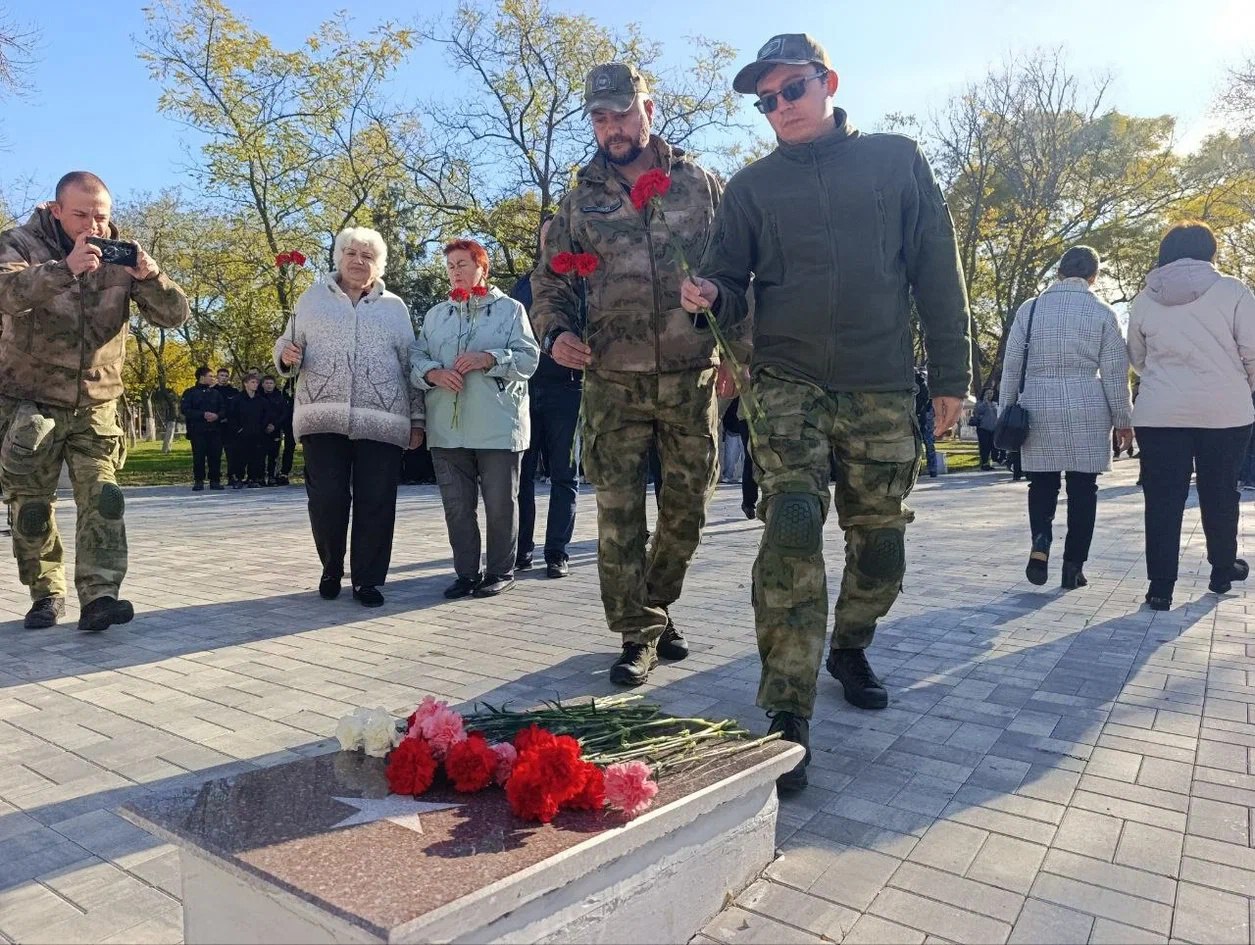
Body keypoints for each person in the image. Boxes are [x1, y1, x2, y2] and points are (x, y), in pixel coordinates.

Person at [681, 34, 972, 791]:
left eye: (791, 90)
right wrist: (710, 295)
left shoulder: (896, 161)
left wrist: (951, 375)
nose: (779, 107)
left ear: (827, 82)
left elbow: (937, 269)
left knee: (879, 549)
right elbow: (726, 278)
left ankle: (850, 641)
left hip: (878, 383)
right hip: (786, 383)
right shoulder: (749, 188)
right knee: (790, 528)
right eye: (765, 100)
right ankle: (787, 710)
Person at [531, 62, 729, 686]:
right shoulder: (579, 200)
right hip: (611, 380)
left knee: (688, 509)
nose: (611, 127)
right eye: (599, 116)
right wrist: (557, 334)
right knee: (618, 514)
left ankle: (656, 605)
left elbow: (738, 266)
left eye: (622, 112)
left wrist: (735, 344)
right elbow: (550, 279)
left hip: (692, 376)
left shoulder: (699, 184)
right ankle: (636, 634)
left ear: (649, 107)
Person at [0, 170, 190, 630]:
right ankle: (45, 592)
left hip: (97, 401)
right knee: (30, 506)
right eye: (81, 214)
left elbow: (175, 315)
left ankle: (100, 595)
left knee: (104, 497)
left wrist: (150, 276)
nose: (93, 226)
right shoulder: (20, 244)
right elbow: (6, 294)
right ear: (56, 209)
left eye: (101, 216)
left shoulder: (123, 255)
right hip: (30, 401)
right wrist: (64, 269)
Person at [275, 226, 423, 608]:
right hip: (322, 415)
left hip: (383, 418)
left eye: (368, 256)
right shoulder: (311, 299)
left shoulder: (395, 307)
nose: (359, 261)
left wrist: (418, 419)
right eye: (352, 253)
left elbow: (411, 363)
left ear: (378, 264)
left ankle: (368, 580)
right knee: (327, 498)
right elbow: (287, 342)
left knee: (377, 500)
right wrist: (285, 355)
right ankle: (330, 567)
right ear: (339, 257)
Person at [1128, 221, 1255, 610]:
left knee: (1163, 498)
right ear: (1209, 252)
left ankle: (1160, 586)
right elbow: (1252, 351)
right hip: (1225, 410)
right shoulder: (1233, 291)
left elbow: (1137, 357)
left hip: (1159, 412)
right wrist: (1240, 384)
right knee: (1220, 491)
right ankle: (1221, 570)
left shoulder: (1144, 300)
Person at [999, 246, 1133, 592]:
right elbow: (1116, 373)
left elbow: (1012, 367)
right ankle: (1073, 566)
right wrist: (1123, 419)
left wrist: (1005, 412)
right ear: (1094, 276)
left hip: (1038, 404)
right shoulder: (1102, 311)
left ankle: (1041, 543)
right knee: (1083, 488)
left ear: (1059, 272)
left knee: (1041, 484)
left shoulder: (1030, 310)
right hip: (1088, 403)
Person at [412, 239, 539, 599]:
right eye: (450, 265)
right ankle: (466, 573)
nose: (456, 271)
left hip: (497, 426)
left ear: (482, 267)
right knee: (457, 507)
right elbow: (415, 358)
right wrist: (433, 373)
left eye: (463, 263)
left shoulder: (511, 310)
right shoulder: (436, 315)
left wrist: (489, 358)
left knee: (500, 504)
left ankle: (500, 571)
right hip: (446, 429)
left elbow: (529, 359)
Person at [514, 213, 582, 579]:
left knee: (563, 474)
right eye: (547, 236)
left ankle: (557, 551)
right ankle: (522, 549)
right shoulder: (523, 286)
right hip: (526, 390)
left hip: (568, 389)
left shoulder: (582, 281)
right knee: (521, 476)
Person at [181, 366, 225, 491]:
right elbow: (185, 409)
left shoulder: (216, 393)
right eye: (210, 376)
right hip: (197, 431)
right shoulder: (190, 393)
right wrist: (202, 414)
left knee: (215, 456)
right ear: (202, 377)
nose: (213, 378)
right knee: (199, 456)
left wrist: (217, 416)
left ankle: (215, 480)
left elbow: (223, 409)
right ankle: (199, 481)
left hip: (215, 430)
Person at [228, 372, 273, 488]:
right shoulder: (237, 400)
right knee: (240, 457)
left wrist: (261, 427)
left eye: (257, 382)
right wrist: (238, 429)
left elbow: (267, 415)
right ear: (245, 384)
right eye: (252, 382)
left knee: (256, 457)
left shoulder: (261, 400)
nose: (255, 384)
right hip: (241, 434)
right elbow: (232, 416)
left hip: (257, 433)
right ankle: (238, 478)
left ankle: (253, 478)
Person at [215, 367, 241, 486]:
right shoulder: (213, 391)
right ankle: (215, 478)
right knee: (215, 453)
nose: (224, 378)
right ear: (217, 377)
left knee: (232, 454)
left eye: (226, 376)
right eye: (221, 375)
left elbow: (237, 409)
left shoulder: (234, 392)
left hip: (230, 427)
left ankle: (232, 476)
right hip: (216, 427)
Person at [260, 374, 287, 485]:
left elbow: (284, 413)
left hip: (275, 430)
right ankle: (260, 477)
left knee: (274, 454)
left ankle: (272, 476)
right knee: (260, 454)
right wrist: (264, 426)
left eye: (271, 383)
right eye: (266, 383)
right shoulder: (258, 396)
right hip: (261, 430)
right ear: (262, 385)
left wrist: (275, 425)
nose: (269, 385)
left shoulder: (279, 397)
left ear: (274, 384)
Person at [915, 366, 939, 478]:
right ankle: (931, 469)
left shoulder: (920, 384)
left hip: (922, 415)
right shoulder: (924, 384)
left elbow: (927, 401)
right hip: (924, 415)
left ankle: (920, 469)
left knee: (918, 444)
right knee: (927, 444)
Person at [972, 388, 1000, 471]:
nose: (989, 395)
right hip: (983, 428)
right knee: (984, 447)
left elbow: (998, 414)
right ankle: (984, 463)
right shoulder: (979, 403)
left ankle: (993, 460)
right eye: (987, 393)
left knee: (994, 446)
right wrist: (985, 402)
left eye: (991, 393)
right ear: (984, 394)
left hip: (994, 429)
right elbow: (978, 411)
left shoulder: (995, 404)